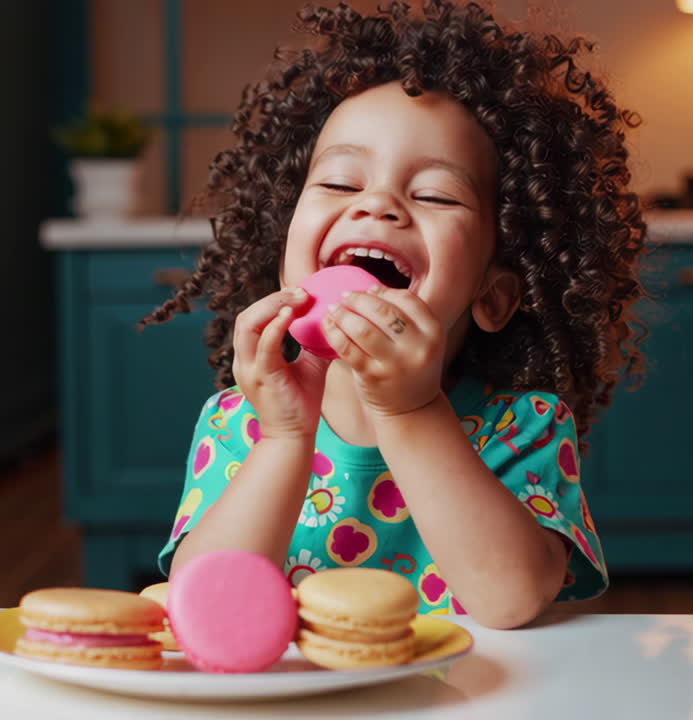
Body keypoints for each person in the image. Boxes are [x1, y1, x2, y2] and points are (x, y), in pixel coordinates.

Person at [141, 0, 646, 629]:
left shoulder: (524, 427)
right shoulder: (238, 425)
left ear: (493, 296)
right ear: (283, 253)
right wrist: (284, 439)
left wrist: (411, 410)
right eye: (341, 184)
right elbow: (206, 610)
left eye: (433, 194)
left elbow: (512, 599)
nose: (377, 204)